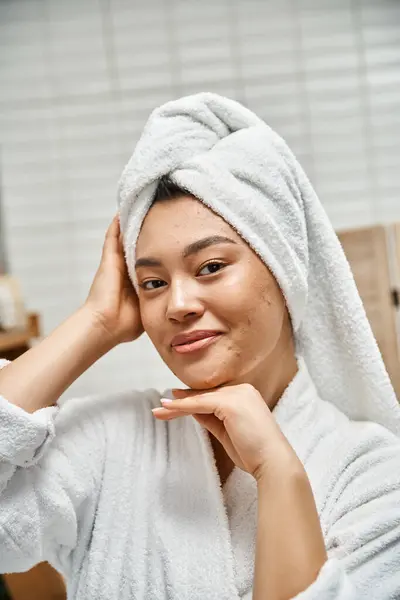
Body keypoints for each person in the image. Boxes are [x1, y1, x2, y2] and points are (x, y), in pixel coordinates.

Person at [1, 93, 400, 600]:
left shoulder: (376, 473)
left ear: (284, 270)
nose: (178, 304)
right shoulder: (108, 439)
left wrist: (278, 474)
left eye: (211, 266)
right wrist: (96, 321)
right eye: (152, 282)